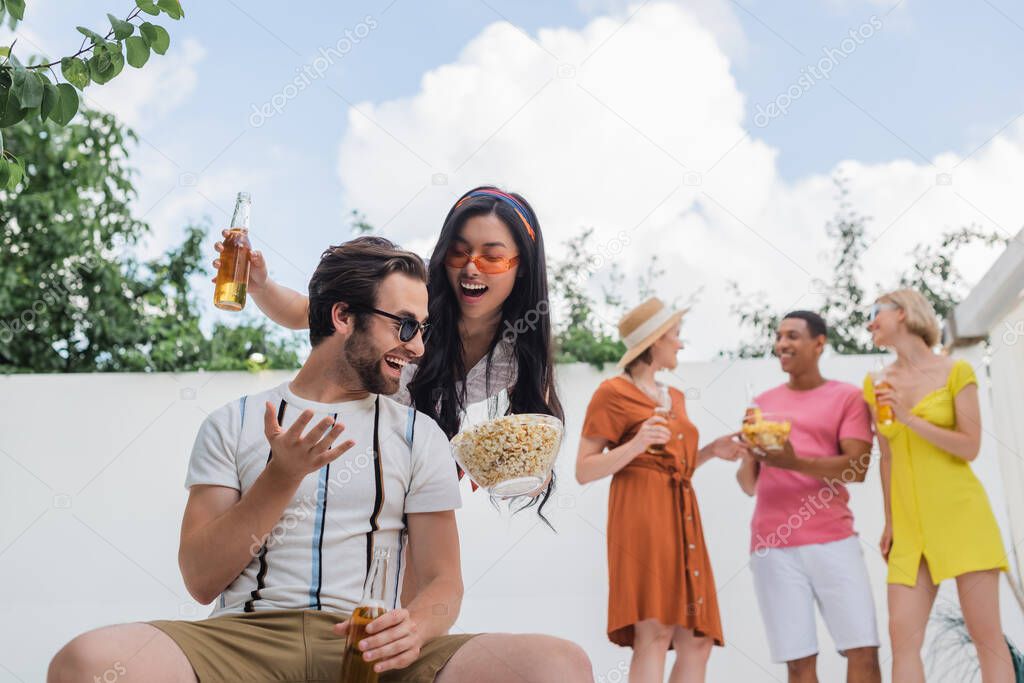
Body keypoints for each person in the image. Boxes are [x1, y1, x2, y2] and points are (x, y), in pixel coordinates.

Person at [48, 237, 591, 683]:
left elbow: (443, 581)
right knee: (86, 664)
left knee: (559, 666)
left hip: (373, 647)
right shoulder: (230, 423)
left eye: (423, 329)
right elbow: (200, 578)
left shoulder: (418, 435)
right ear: (342, 317)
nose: (419, 347)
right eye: (404, 325)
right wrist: (279, 478)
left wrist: (418, 629)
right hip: (241, 643)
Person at [214, 186, 561, 516]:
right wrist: (261, 286)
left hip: (412, 464)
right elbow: (307, 312)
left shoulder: (522, 344)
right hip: (342, 438)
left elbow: (531, 438)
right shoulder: (417, 292)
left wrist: (527, 470)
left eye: (493, 257)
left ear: (522, 267)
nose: (471, 267)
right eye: (459, 252)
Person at [576, 297, 744, 683]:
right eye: (676, 336)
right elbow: (584, 470)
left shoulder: (676, 397)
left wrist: (711, 452)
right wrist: (633, 445)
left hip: (682, 512)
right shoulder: (613, 393)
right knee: (654, 632)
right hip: (641, 515)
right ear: (654, 342)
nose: (681, 344)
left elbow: (674, 463)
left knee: (696, 639)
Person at [864, 289, 1013, 683]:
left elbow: (970, 446)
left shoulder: (955, 372)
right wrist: (890, 523)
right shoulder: (875, 383)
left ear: (902, 313)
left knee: (987, 638)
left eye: (875, 312)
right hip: (910, 526)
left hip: (962, 515)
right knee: (903, 640)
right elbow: (888, 457)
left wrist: (908, 417)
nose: (869, 322)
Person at [735, 310, 881, 683]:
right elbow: (749, 484)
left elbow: (857, 468)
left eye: (793, 336)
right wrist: (749, 450)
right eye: (779, 336)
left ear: (819, 343)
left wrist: (794, 461)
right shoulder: (762, 403)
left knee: (862, 648)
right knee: (799, 662)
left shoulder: (847, 398)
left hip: (833, 539)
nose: (782, 344)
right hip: (772, 545)